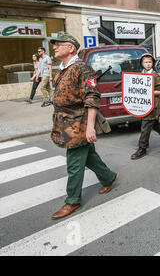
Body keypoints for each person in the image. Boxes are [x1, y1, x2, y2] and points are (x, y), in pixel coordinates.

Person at [49, 31, 118, 219]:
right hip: (65, 122)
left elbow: (92, 97)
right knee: (88, 156)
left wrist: (90, 127)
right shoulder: (63, 68)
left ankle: (72, 200)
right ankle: (108, 177)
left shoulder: (82, 68)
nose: (54, 47)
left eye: (58, 44)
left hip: (78, 124)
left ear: (70, 48)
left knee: (74, 163)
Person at [130, 53, 160, 160]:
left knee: (145, 126)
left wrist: (148, 92)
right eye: (145, 62)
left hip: (153, 105)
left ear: (153, 63)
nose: (148, 64)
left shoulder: (155, 75)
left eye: (150, 62)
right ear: (142, 63)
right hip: (145, 104)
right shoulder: (141, 74)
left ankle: (142, 149)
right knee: (154, 124)